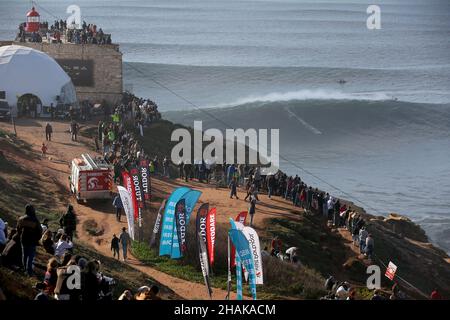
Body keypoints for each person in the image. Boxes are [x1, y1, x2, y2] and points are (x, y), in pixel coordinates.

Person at [16, 204, 42, 276]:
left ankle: (25, 269)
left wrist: (21, 235)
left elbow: (18, 229)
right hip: (32, 241)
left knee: (24, 255)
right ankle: (29, 271)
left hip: (23, 239)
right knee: (30, 257)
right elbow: (40, 231)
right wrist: (37, 239)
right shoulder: (35, 220)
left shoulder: (21, 219)